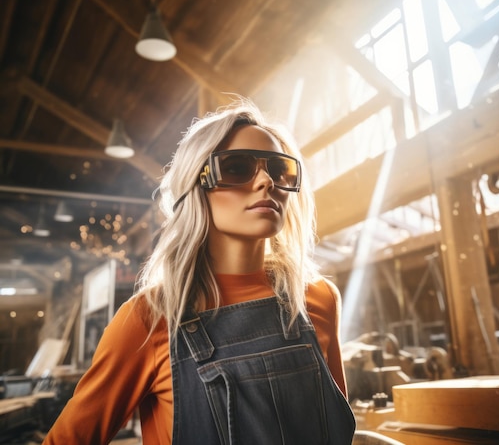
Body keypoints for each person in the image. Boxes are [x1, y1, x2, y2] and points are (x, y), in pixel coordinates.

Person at [43, 100, 356, 444]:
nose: (268, 181)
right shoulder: (149, 320)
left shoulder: (317, 299)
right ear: (196, 185)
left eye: (281, 170)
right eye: (237, 167)